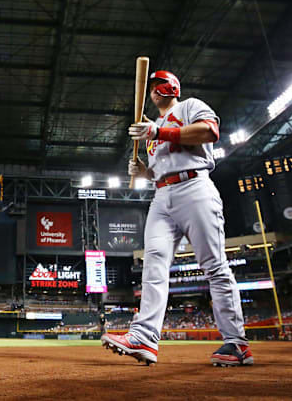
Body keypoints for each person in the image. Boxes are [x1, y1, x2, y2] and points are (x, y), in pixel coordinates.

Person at [101, 70, 252, 367]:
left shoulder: (189, 107)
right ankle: (144, 337)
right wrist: (143, 172)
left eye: (159, 85)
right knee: (153, 261)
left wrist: (159, 132)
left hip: (194, 186)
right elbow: (160, 169)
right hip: (161, 194)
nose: (155, 90)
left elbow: (209, 132)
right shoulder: (152, 128)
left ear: (172, 88)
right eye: (153, 87)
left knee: (214, 264)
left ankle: (236, 343)